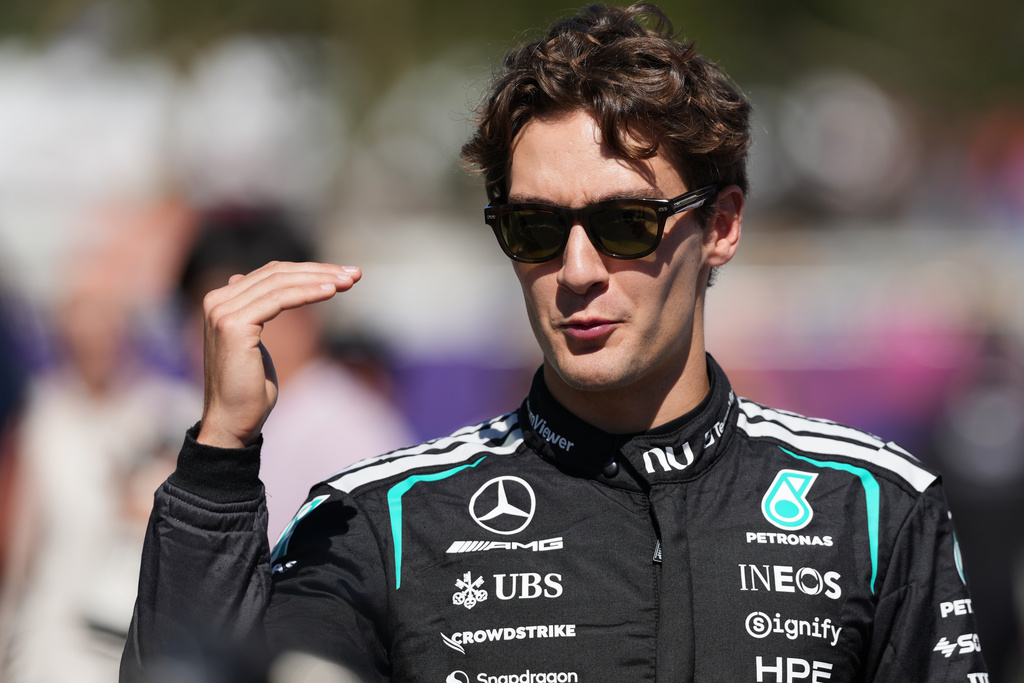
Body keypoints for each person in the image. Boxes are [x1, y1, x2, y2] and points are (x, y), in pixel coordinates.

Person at [121, 4, 988, 682]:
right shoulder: (382, 520)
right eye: (535, 227)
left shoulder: (873, 505)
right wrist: (220, 460)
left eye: (624, 223)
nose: (576, 270)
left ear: (721, 225)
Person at [177, 206, 415, 542]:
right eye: (202, 316)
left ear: (302, 311)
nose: (210, 335)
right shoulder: (200, 414)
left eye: (240, 315)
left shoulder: (348, 434)